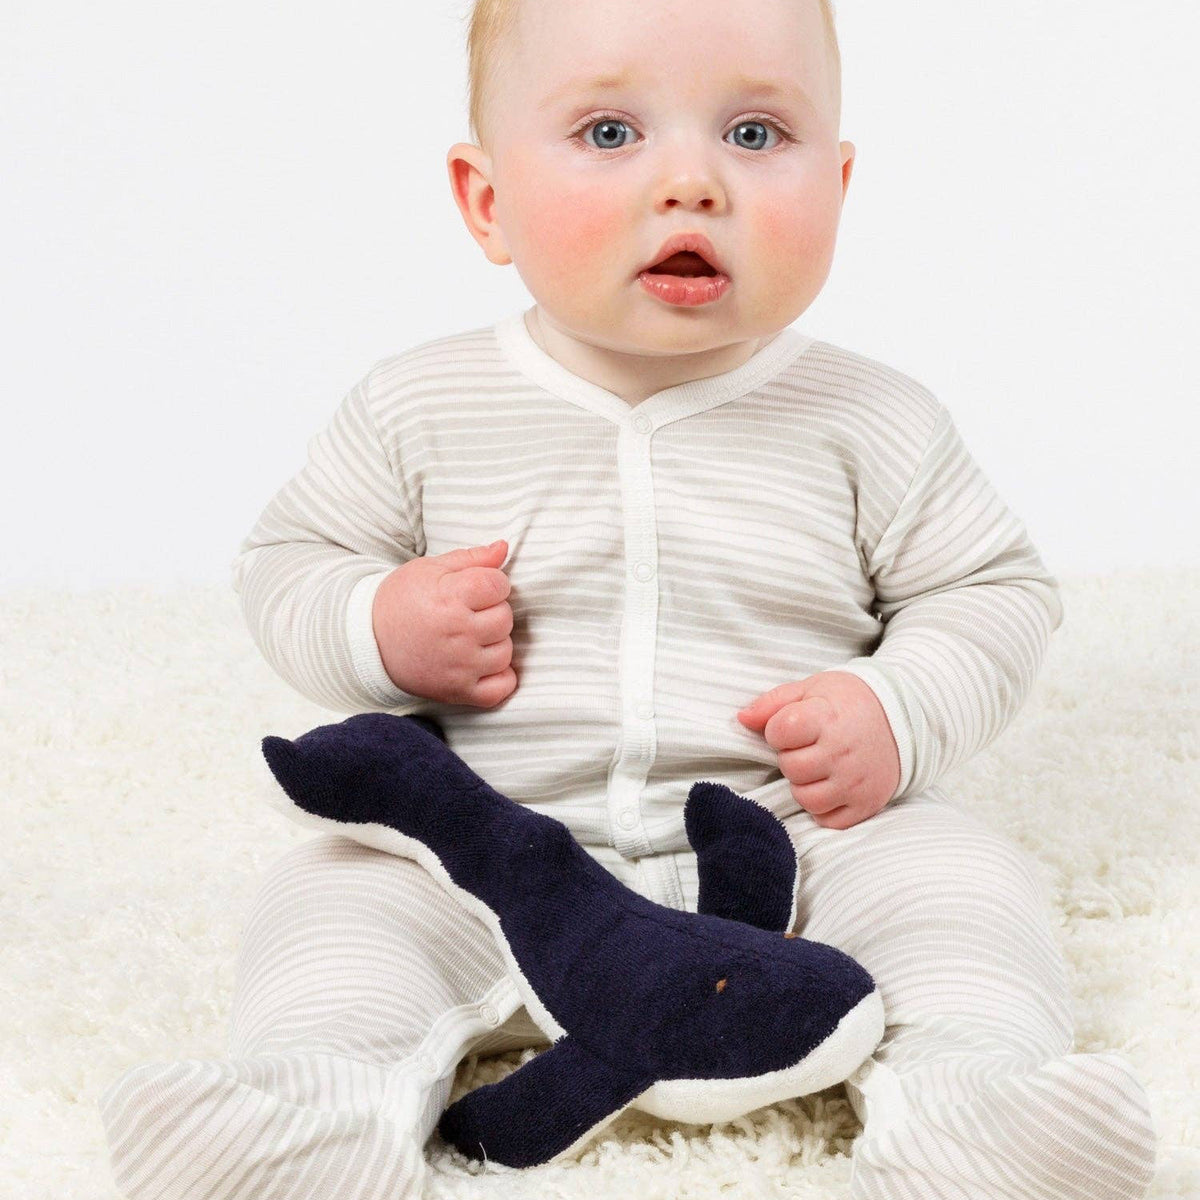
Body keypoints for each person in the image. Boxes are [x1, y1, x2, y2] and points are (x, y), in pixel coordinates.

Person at [98, 0, 1159, 1196]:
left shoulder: (874, 419)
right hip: (480, 852)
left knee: (960, 881)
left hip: (795, 836)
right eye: (610, 132)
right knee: (335, 906)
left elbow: (991, 590)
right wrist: (379, 624)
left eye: (757, 134)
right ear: (486, 202)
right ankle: (302, 1114)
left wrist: (898, 704)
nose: (694, 182)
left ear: (843, 185)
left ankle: (982, 1108)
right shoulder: (419, 406)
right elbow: (288, 561)